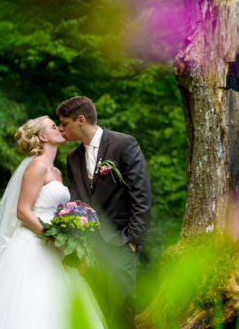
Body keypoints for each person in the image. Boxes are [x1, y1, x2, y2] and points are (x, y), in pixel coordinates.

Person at [0, 116, 105, 329]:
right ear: (43, 137)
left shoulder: (55, 172)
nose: (60, 128)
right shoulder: (37, 166)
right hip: (34, 244)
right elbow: (22, 211)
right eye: (54, 126)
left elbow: (57, 211)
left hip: (55, 246)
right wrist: (52, 237)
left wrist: (71, 233)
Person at [56, 96, 151, 329]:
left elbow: (141, 195)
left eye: (64, 123)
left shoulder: (123, 144)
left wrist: (132, 241)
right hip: (91, 248)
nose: (60, 129)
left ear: (80, 120)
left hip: (121, 242)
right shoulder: (72, 157)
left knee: (121, 307)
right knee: (97, 308)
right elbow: (77, 203)